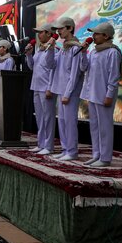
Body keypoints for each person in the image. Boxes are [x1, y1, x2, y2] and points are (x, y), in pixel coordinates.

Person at [79, 22, 122, 167]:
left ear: (106, 36)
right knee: (95, 127)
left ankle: (105, 158)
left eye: (97, 34)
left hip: (104, 96)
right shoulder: (94, 51)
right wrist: (84, 52)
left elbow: (114, 76)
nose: (93, 36)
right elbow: (84, 68)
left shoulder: (113, 52)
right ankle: (96, 154)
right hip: (92, 94)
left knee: (105, 127)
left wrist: (109, 95)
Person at [48, 17, 84, 160]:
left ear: (69, 28)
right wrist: (50, 48)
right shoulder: (63, 48)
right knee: (62, 121)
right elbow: (50, 64)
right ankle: (65, 149)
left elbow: (75, 74)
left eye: (61, 29)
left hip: (70, 91)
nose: (59, 32)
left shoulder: (75, 48)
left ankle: (72, 151)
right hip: (61, 89)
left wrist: (68, 93)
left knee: (69, 122)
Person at [26, 24, 56, 154]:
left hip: (46, 88)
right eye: (38, 33)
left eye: (41, 32)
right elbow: (32, 67)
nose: (39, 35)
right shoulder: (38, 50)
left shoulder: (54, 50)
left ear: (49, 34)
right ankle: (41, 143)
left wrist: (50, 87)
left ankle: (48, 146)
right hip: (36, 87)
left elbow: (53, 70)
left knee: (48, 118)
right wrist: (28, 55)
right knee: (39, 117)